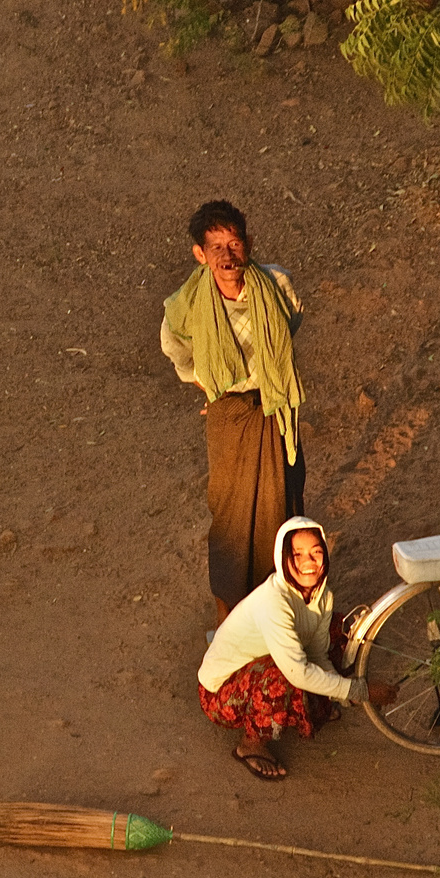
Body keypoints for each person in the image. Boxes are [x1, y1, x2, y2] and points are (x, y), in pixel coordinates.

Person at [161, 200, 308, 624]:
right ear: (200, 255)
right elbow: (174, 347)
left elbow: (289, 323)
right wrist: (205, 380)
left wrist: (269, 367)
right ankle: (231, 619)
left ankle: (284, 613)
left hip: (275, 406)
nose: (228, 256)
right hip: (228, 411)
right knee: (229, 514)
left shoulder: (276, 284)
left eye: (234, 243)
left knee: (282, 504)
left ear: (248, 245)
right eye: (216, 247)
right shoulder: (185, 305)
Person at [197, 517, 396, 779]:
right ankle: (250, 745)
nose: (308, 562)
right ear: (283, 558)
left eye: (316, 552)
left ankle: (316, 702)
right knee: (282, 677)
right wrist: (361, 690)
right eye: (297, 554)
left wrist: (346, 695)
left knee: (336, 630)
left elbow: (316, 653)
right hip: (219, 693)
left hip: (265, 666)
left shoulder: (322, 597)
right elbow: (298, 673)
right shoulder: (273, 602)